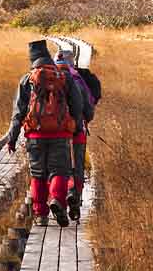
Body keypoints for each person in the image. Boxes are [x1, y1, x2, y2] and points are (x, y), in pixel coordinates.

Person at [7, 40, 86, 227]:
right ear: (49, 57)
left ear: (32, 60)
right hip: (60, 134)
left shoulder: (27, 79)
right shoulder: (64, 78)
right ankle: (57, 200)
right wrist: (76, 128)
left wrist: (12, 138)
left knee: (38, 174)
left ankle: (40, 214)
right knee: (59, 171)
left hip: (35, 135)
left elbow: (18, 112)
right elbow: (77, 105)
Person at [54, 44, 95, 222]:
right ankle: (75, 199)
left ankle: (58, 201)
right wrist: (85, 120)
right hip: (77, 131)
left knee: (57, 168)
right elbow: (88, 107)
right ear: (72, 62)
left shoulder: (49, 79)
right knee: (77, 166)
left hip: (55, 132)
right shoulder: (77, 79)